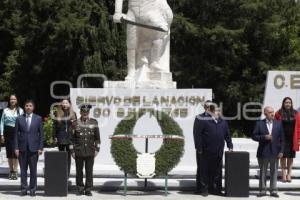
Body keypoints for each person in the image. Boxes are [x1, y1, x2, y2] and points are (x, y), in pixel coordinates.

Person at [193, 103, 233, 196]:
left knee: (217, 171)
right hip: (205, 150)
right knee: (204, 170)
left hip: (218, 150)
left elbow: (227, 134)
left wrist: (230, 145)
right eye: (216, 111)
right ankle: (204, 190)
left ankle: (217, 190)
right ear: (211, 111)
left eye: (219, 111)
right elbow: (197, 135)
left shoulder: (223, 121)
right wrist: (198, 147)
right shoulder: (203, 120)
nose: (218, 112)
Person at [252, 106, 284, 198]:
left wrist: (281, 151)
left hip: (275, 152)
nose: (272, 114)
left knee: (274, 172)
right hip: (263, 152)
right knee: (263, 172)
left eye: (273, 112)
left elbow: (282, 139)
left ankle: (273, 190)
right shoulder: (259, 123)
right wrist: (264, 137)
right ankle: (262, 191)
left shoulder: (278, 124)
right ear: (265, 113)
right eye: (270, 112)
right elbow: (254, 136)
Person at [14, 99, 44, 196]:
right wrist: (16, 148)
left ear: (33, 107)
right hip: (22, 149)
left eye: (30, 106)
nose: (28, 107)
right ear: (24, 107)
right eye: (26, 105)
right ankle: (23, 189)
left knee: (33, 170)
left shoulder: (38, 118)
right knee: (23, 170)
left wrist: (40, 147)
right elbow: (15, 135)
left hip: (34, 148)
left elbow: (41, 135)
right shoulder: (19, 118)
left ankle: (32, 189)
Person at [70, 104, 100, 196]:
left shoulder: (94, 122)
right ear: (80, 112)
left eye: (87, 112)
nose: (85, 113)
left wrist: (97, 149)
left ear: (89, 113)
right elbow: (71, 139)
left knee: (89, 171)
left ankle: (88, 189)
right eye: (83, 112)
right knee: (79, 171)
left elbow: (97, 138)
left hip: (90, 151)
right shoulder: (75, 123)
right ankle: (80, 188)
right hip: (79, 151)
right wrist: (72, 151)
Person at [275, 97, 299, 182]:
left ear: (291, 104)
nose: (288, 104)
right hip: (282, 138)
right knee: (282, 156)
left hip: (292, 138)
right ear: (283, 103)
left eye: (289, 102)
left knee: (290, 157)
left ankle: (289, 174)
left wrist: (298, 138)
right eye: (286, 102)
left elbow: (298, 127)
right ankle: (283, 174)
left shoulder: (296, 113)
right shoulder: (278, 113)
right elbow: (275, 126)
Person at [0, 94, 24, 180]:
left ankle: (16, 171)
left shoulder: (20, 110)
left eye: (14, 99)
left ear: (16, 100)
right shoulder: (5, 110)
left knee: (16, 152)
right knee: (9, 152)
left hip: (17, 132)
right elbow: (2, 122)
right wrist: (1, 134)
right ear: (9, 101)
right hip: (7, 132)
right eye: (11, 99)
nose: (12, 100)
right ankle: (11, 171)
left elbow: (22, 123)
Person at [52, 99, 77, 183]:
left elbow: (76, 127)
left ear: (69, 104)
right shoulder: (57, 113)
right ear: (61, 104)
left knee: (68, 157)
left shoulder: (73, 114)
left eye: (66, 103)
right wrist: (54, 136)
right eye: (63, 103)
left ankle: (67, 175)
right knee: (61, 156)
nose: (65, 104)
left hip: (70, 138)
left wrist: (74, 123)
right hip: (61, 137)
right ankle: (61, 173)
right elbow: (54, 126)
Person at [193, 100, 212, 194]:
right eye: (207, 106)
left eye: (210, 106)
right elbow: (197, 134)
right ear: (204, 107)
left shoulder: (216, 117)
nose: (209, 108)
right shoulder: (199, 117)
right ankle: (201, 189)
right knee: (202, 168)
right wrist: (199, 147)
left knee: (212, 169)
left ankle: (212, 188)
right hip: (203, 149)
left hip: (213, 149)